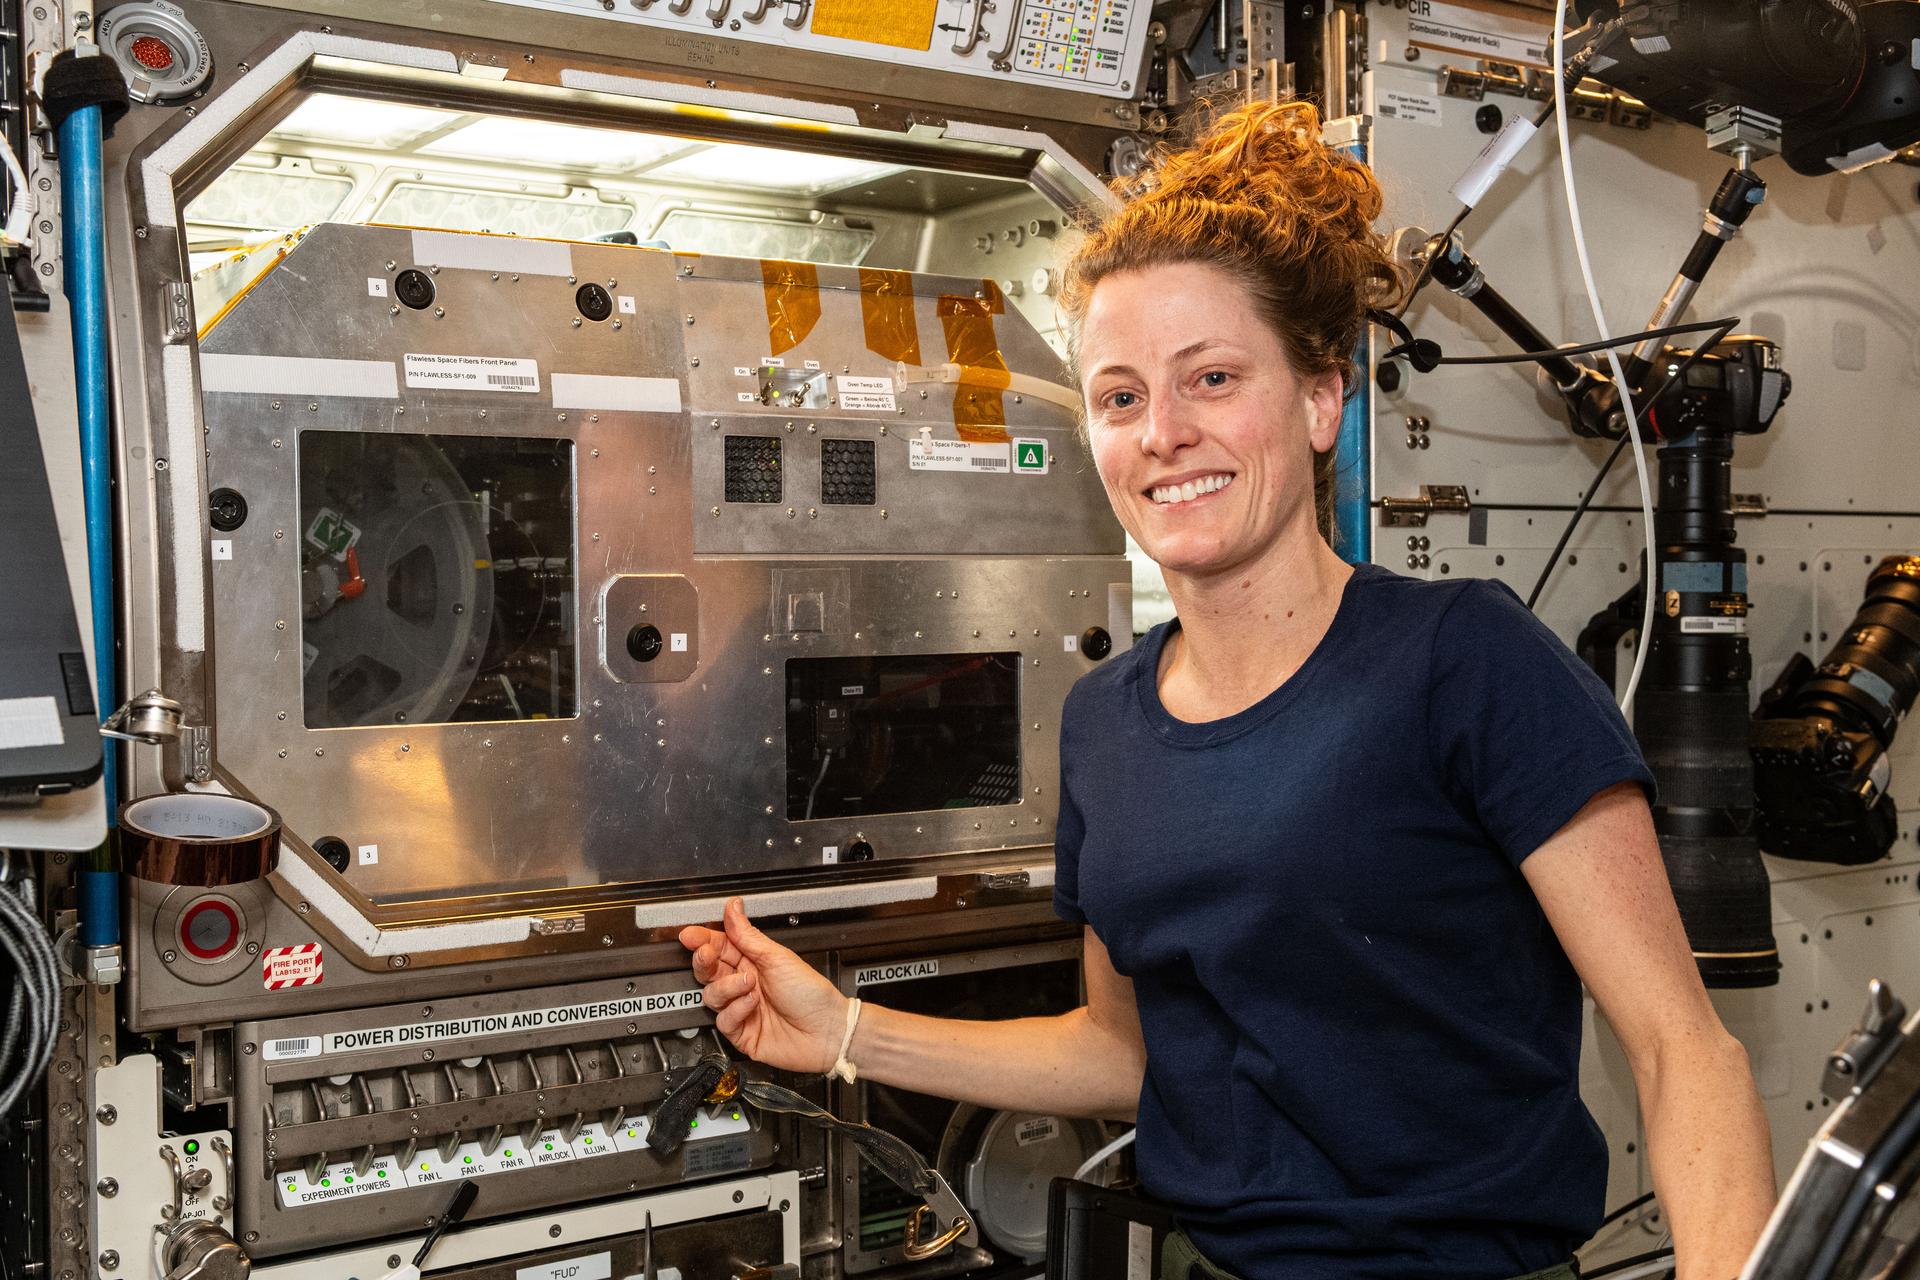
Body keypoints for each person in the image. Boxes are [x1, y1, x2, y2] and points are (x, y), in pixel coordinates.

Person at [682, 99, 1775, 1280]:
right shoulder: (1107, 721)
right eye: (1119, 396)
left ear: (1318, 401)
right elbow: (1122, 1050)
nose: (1163, 432)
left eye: (1210, 377)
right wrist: (844, 1030)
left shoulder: (1466, 664)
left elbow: (1683, 1050)